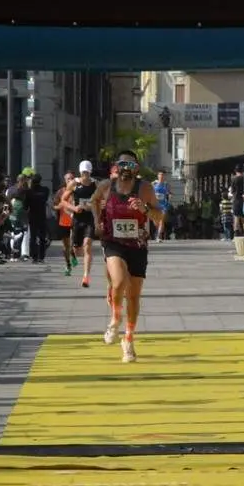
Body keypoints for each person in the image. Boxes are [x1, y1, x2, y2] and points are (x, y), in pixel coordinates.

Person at [91, 149, 164, 362]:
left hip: (138, 245)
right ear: (116, 167)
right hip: (113, 242)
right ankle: (115, 318)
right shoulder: (106, 186)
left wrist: (145, 208)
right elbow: (94, 201)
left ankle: (128, 339)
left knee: (133, 296)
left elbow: (159, 216)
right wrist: (97, 220)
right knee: (119, 281)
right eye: (122, 165)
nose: (126, 169)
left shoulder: (145, 188)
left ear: (136, 169)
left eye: (131, 166)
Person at [66, 160, 98, 287]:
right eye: (83, 172)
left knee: (88, 245)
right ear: (80, 171)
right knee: (76, 249)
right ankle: (73, 253)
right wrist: (74, 208)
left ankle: (86, 276)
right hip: (77, 219)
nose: (85, 174)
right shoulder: (74, 184)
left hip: (90, 218)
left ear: (90, 172)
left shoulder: (96, 184)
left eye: (87, 172)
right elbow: (63, 200)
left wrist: (96, 206)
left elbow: (103, 199)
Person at [53, 171, 76, 275]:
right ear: (65, 180)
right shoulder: (60, 192)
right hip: (63, 221)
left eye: (72, 178)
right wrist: (60, 206)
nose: (70, 181)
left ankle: (73, 254)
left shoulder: (78, 191)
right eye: (68, 179)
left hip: (75, 221)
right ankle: (68, 265)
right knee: (65, 246)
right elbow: (54, 205)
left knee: (72, 244)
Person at [24, 173, 50, 263]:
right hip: (42, 215)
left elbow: (25, 206)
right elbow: (45, 199)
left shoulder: (28, 192)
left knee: (33, 237)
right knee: (42, 237)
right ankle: (41, 257)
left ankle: (34, 256)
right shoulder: (45, 190)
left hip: (32, 216)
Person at [152, 169, 171, 241]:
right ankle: (158, 231)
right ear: (157, 175)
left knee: (161, 220)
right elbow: (150, 193)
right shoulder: (153, 184)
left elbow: (169, 194)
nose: (161, 176)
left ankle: (158, 236)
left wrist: (169, 199)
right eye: (160, 175)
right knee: (155, 222)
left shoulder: (166, 185)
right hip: (154, 205)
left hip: (163, 205)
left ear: (164, 176)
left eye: (163, 175)